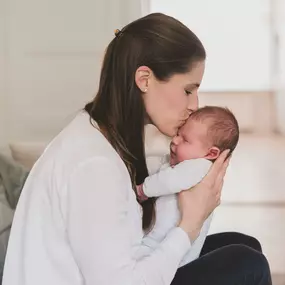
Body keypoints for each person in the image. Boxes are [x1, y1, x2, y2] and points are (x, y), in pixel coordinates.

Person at [2, 13, 271, 285]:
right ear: (144, 79)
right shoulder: (93, 164)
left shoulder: (101, 133)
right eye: (188, 90)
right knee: (248, 264)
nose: (194, 105)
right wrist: (190, 224)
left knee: (244, 245)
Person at [135, 106, 239, 267]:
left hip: (167, 251)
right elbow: (163, 169)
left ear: (211, 154)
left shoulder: (201, 167)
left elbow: (168, 180)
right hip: (163, 245)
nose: (175, 140)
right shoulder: (190, 166)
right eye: (178, 134)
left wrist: (143, 189)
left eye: (185, 139)